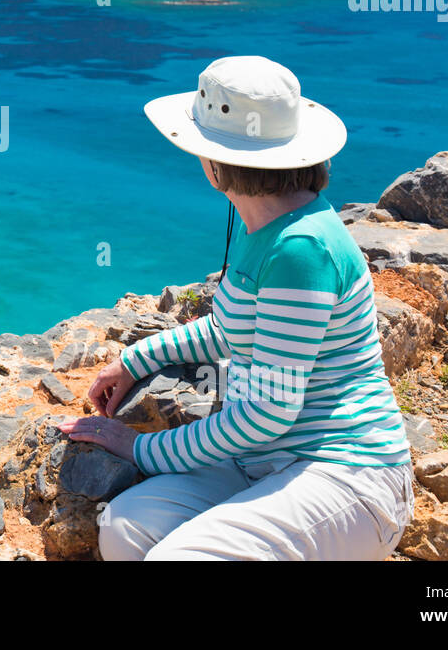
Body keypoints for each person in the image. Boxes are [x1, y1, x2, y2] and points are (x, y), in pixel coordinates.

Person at [59, 55, 415, 560]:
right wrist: (134, 360)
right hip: (261, 463)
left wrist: (138, 447)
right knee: (126, 528)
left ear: (214, 162)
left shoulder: (301, 248)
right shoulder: (266, 228)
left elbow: (269, 412)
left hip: (346, 475)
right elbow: (232, 328)